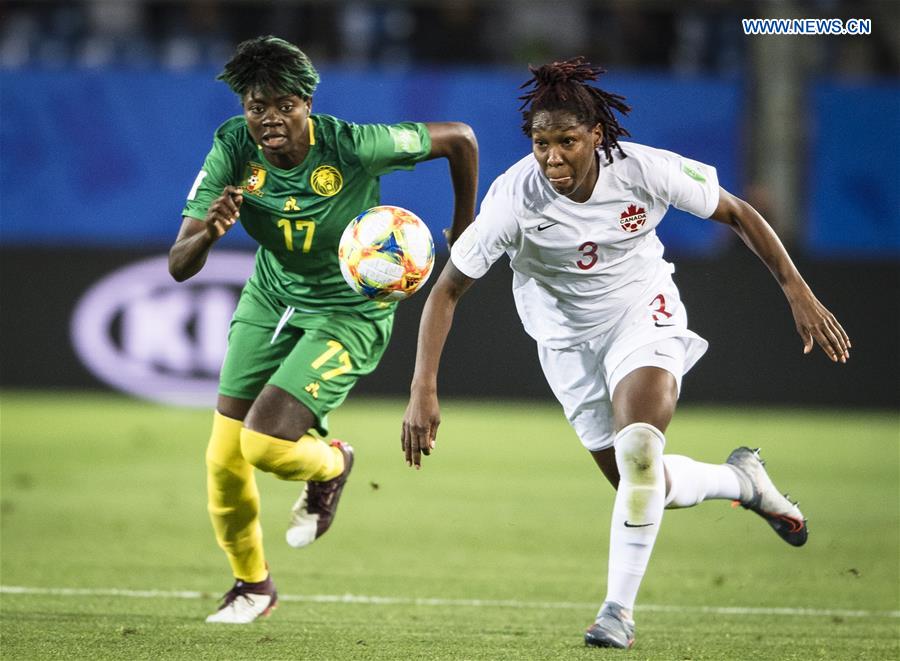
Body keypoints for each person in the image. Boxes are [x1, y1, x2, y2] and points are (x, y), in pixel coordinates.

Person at [401, 57, 850, 649]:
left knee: (640, 447)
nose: (553, 157)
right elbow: (448, 289)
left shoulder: (642, 170)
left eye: (567, 142)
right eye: (541, 143)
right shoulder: (514, 198)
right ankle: (742, 482)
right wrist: (423, 390)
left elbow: (737, 212)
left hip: (643, 313)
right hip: (564, 343)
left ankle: (617, 611)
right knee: (644, 486)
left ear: (597, 136)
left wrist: (796, 289)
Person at [170, 35, 478, 624]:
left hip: (349, 311)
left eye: (284, 105)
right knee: (222, 457)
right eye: (257, 107)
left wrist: (464, 229)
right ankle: (252, 586)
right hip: (272, 296)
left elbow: (460, 138)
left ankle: (333, 463)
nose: (270, 120)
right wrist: (209, 232)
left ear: (307, 102)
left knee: (262, 444)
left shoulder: (354, 146)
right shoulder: (233, 148)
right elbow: (178, 265)